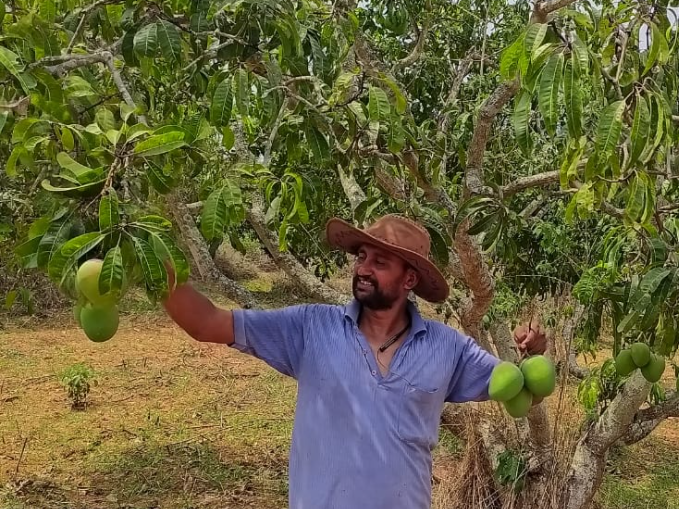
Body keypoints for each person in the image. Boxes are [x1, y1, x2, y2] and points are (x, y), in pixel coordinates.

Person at [162, 214, 546, 509]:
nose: (363, 268)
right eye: (362, 256)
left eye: (380, 262)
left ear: (409, 279)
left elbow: (520, 388)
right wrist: (149, 262)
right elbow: (207, 323)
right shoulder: (310, 327)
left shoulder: (448, 348)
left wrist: (532, 354)